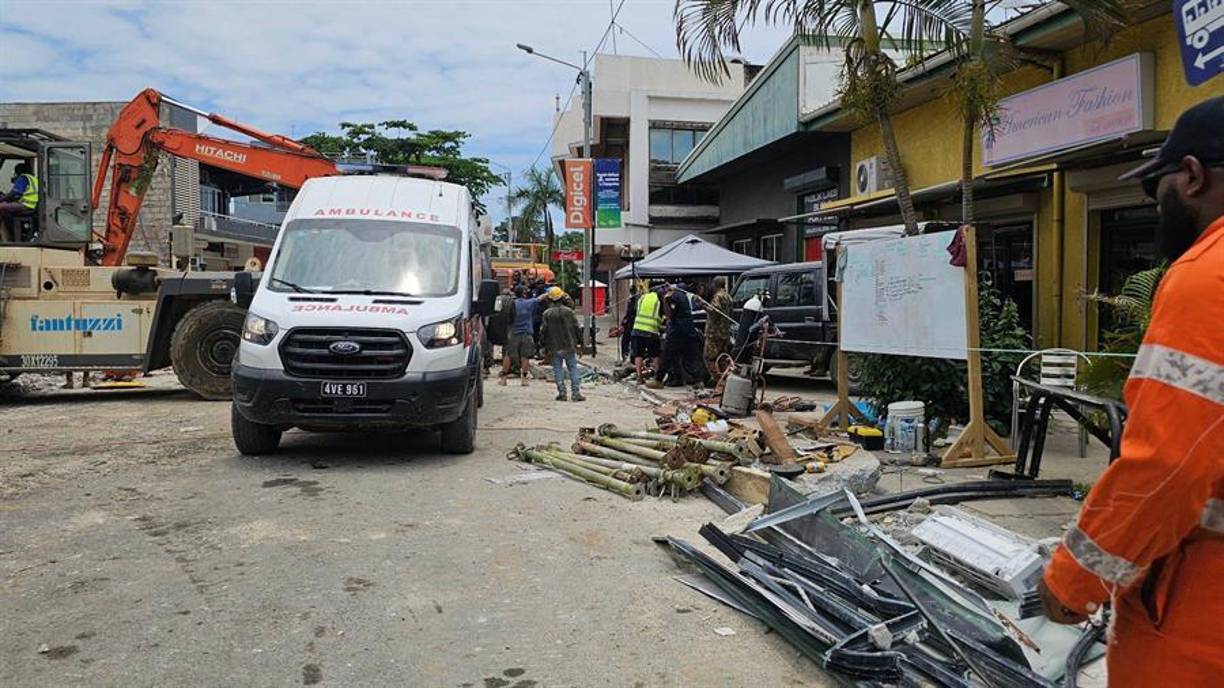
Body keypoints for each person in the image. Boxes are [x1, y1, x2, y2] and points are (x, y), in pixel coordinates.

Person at [1038, 96, 1224, 686]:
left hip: (1202, 619)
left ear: (1192, 176)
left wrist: (1074, 579)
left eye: (1156, 189)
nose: (1157, 206)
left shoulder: (1207, 277)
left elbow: (1167, 465)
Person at [540, 286, 585, 402]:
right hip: (569, 345)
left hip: (554, 347)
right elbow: (577, 328)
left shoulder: (547, 314)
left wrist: (543, 345)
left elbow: (543, 331)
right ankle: (576, 393)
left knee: (558, 370)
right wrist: (581, 343)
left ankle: (562, 393)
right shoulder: (569, 312)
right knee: (573, 369)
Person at [659, 282, 702, 387]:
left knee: (667, 355)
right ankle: (698, 380)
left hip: (677, 331)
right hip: (689, 330)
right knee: (690, 356)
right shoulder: (685, 296)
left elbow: (669, 314)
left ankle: (658, 379)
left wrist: (665, 300)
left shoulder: (675, 296)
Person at [498, 287, 543, 387]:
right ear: (524, 293)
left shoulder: (511, 303)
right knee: (525, 357)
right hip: (526, 333)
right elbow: (541, 298)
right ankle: (524, 379)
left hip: (513, 333)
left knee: (508, 355)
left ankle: (503, 379)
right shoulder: (529, 303)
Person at [631, 281, 663, 385]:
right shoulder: (659, 299)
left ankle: (639, 378)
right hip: (651, 330)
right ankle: (657, 377)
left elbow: (637, 311)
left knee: (638, 354)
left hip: (637, 328)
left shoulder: (642, 298)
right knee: (655, 354)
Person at [703, 276, 735, 380]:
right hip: (725, 332)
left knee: (709, 356)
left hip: (714, 332)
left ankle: (716, 378)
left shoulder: (717, 297)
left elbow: (714, 311)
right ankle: (724, 377)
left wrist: (703, 306)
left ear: (715, 285)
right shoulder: (728, 297)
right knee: (722, 357)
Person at [1, 162, 39, 242]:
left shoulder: (23, 178)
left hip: (26, 205)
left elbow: (15, 193)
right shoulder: (33, 178)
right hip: (32, 205)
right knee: (5, 210)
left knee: (1, 206)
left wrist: (3, 198)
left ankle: (6, 238)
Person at [620, 284, 639, 364]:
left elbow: (630, 312)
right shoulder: (633, 299)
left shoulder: (635, 300)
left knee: (627, 341)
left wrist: (625, 320)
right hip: (631, 322)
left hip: (633, 323)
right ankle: (626, 356)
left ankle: (628, 356)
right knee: (626, 340)